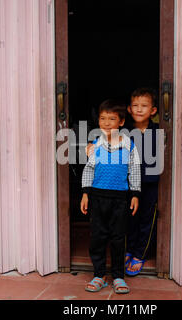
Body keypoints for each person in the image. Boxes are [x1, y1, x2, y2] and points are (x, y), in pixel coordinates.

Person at [80, 99, 141, 294]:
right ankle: (99, 275)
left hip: (120, 199)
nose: (106, 123)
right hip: (98, 198)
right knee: (98, 237)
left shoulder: (129, 146)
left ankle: (118, 277)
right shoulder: (94, 146)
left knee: (117, 238)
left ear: (121, 122)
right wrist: (85, 193)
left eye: (112, 119)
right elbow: (89, 170)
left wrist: (135, 194)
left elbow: (135, 170)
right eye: (102, 118)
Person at [124, 88, 160, 276]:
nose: (139, 109)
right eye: (135, 106)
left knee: (147, 218)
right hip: (129, 184)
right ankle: (129, 249)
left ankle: (139, 254)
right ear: (129, 109)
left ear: (152, 111)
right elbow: (107, 140)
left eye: (144, 106)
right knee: (130, 218)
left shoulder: (159, 130)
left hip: (150, 184)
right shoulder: (125, 131)